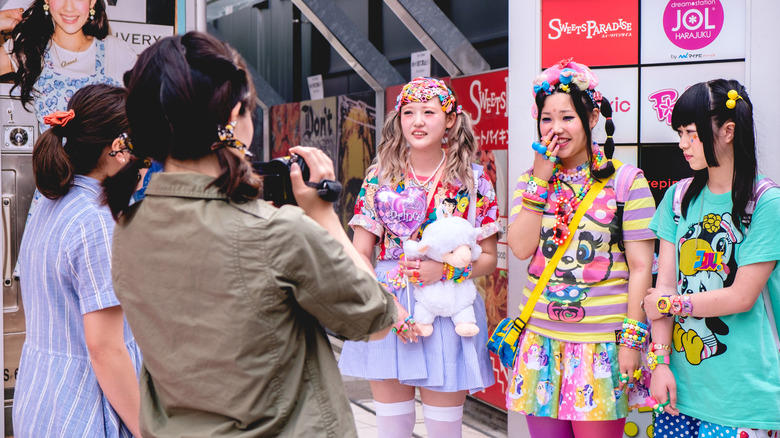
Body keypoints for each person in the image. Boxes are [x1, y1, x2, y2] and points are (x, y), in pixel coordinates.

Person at [103, 31, 401, 437]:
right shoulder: (276, 232)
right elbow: (378, 318)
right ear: (233, 117)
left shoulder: (127, 229)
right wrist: (323, 216)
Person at [338, 77, 500, 438]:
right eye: (409, 112)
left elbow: (489, 257)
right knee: (391, 429)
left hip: (447, 312)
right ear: (399, 119)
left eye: (429, 112)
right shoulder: (379, 177)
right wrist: (385, 305)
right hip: (389, 306)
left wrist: (444, 271)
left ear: (451, 120)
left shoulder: (474, 182)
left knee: (445, 430)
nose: (418, 121)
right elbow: (360, 252)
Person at [505, 59, 656, 438]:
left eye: (567, 117)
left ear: (591, 118)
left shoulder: (627, 181)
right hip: (539, 342)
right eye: (546, 119)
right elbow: (521, 249)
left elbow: (641, 268)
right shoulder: (530, 181)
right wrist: (540, 179)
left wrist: (631, 341)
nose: (556, 129)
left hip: (600, 347)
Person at [643, 79, 780, 437]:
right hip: (679, 390)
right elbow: (664, 284)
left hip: (742, 395)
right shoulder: (677, 197)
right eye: (679, 133)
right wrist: (659, 363)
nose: (682, 144)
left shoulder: (766, 203)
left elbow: (740, 297)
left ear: (728, 131)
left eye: (691, 133)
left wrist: (669, 304)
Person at [14, 83, 141, 437]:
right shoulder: (97, 224)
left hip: (41, 400)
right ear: (119, 148)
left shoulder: (50, 205)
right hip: (82, 409)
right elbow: (106, 350)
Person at [0, 0, 136, 134]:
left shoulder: (115, 51)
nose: (69, 7)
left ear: (92, 2)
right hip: (51, 156)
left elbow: (148, 114)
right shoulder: (30, 49)